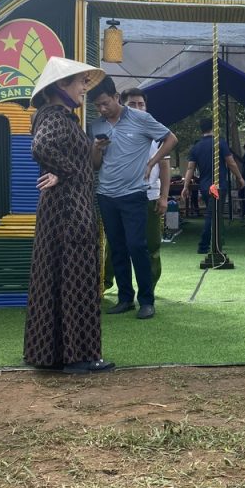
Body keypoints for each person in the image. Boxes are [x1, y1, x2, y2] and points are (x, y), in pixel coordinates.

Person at [23, 57, 115, 374]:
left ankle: (57, 355)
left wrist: (64, 171)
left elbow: (48, 150)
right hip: (69, 212)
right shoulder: (56, 116)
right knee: (77, 279)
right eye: (80, 83)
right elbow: (41, 147)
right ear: (61, 85)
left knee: (60, 278)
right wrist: (69, 173)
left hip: (64, 209)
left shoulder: (57, 116)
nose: (84, 89)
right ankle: (78, 357)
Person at [88, 76, 177, 319]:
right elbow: (95, 165)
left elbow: (171, 138)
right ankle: (125, 298)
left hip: (134, 194)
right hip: (106, 194)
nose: (102, 109)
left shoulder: (140, 118)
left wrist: (152, 162)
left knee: (137, 246)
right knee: (117, 248)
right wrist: (96, 148)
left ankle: (146, 300)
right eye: (97, 105)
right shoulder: (97, 125)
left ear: (116, 97)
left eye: (105, 103)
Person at [120, 88, 171, 291]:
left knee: (151, 245)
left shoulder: (157, 131)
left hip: (150, 196)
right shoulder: (113, 129)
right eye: (132, 104)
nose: (138, 108)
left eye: (141, 104)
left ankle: (148, 289)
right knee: (118, 245)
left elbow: (165, 166)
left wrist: (164, 197)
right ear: (122, 105)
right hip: (120, 196)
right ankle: (109, 286)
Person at [180, 117, 245, 253]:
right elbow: (231, 162)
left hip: (204, 186)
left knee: (214, 214)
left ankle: (218, 240)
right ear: (215, 127)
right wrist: (239, 177)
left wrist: (185, 186)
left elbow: (190, 168)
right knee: (212, 215)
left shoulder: (196, 147)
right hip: (218, 185)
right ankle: (203, 245)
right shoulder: (220, 143)